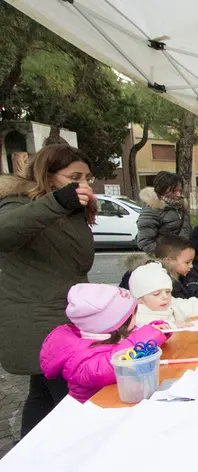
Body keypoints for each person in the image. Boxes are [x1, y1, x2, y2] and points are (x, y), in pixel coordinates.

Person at [0, 144, 96, 437]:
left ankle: (28, 458)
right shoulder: (17, 203)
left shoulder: (69, 211)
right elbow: (5, 232)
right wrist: (57, 202)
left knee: (41, 394)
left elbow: (74, 263)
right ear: (48, 175)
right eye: (74, 176)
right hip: (38, 321)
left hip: (61, 317)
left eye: (88, 177)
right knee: (75, 401)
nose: (85, 185)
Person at [39, 284, 169, 403]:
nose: (136, 318)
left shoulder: (114, 335)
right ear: (117, 324)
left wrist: (156, 331)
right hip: (96, 413)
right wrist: (148, 337)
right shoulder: (80, 358)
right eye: (133, 315)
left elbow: (135, 338)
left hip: (119, 401)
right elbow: (110, 367)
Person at [129, 261, 198, 326]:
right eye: (156, 294)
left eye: (168, 291)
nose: (165, 297)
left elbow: (192, 305)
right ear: (139, 299)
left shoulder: (172, 305)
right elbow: (144, 333)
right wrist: (171, 326)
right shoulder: (135, 318)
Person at [136, 171, 192, 255]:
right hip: (167, 260)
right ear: (162, 190)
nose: (178, 194)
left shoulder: (180, 207)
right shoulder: (151, 210)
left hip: (183, 257)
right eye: (174, 191)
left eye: (180, 190)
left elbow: (186, 232)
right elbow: (145, 242)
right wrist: (166, 256)